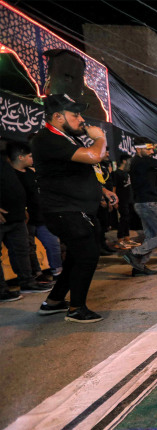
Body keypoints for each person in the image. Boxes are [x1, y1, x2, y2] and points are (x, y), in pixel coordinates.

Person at [30, 94, 118, 322]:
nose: (81, 119)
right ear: (58, 117)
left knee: (77, 257)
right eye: (75, 114)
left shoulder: (67, 138)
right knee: (87, 256)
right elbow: (93, 156)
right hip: (64, 210)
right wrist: (100, 138)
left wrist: (102, 191)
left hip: (75, 209)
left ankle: (54, 301)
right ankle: (77, 309)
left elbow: (77, 173)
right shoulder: (46, 138)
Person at [1, 144, 52, 302]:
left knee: (22, 251)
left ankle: (27, 282)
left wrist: (21, 207)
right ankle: (2, 291)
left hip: (17, 215)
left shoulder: (3, 159)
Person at [9, 141, 62, 282]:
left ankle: (57, 272)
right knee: (27, 248)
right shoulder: (11, 175)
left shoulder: (31, 173)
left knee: (53, 243)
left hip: (40, 216)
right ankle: (37, 274)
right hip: (24, 218)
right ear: (21, 157)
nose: (33, 159)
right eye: (30, 156)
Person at [121, 137, 157, 276]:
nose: (151, 152)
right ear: (139, 148)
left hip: (144, 203)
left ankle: (138, 266)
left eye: (152, 149)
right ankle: (134, 253)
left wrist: (153, 149)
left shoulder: (139, 162)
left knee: (151, 237)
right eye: (148, 149)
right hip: (147, 203)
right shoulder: (143, 161)